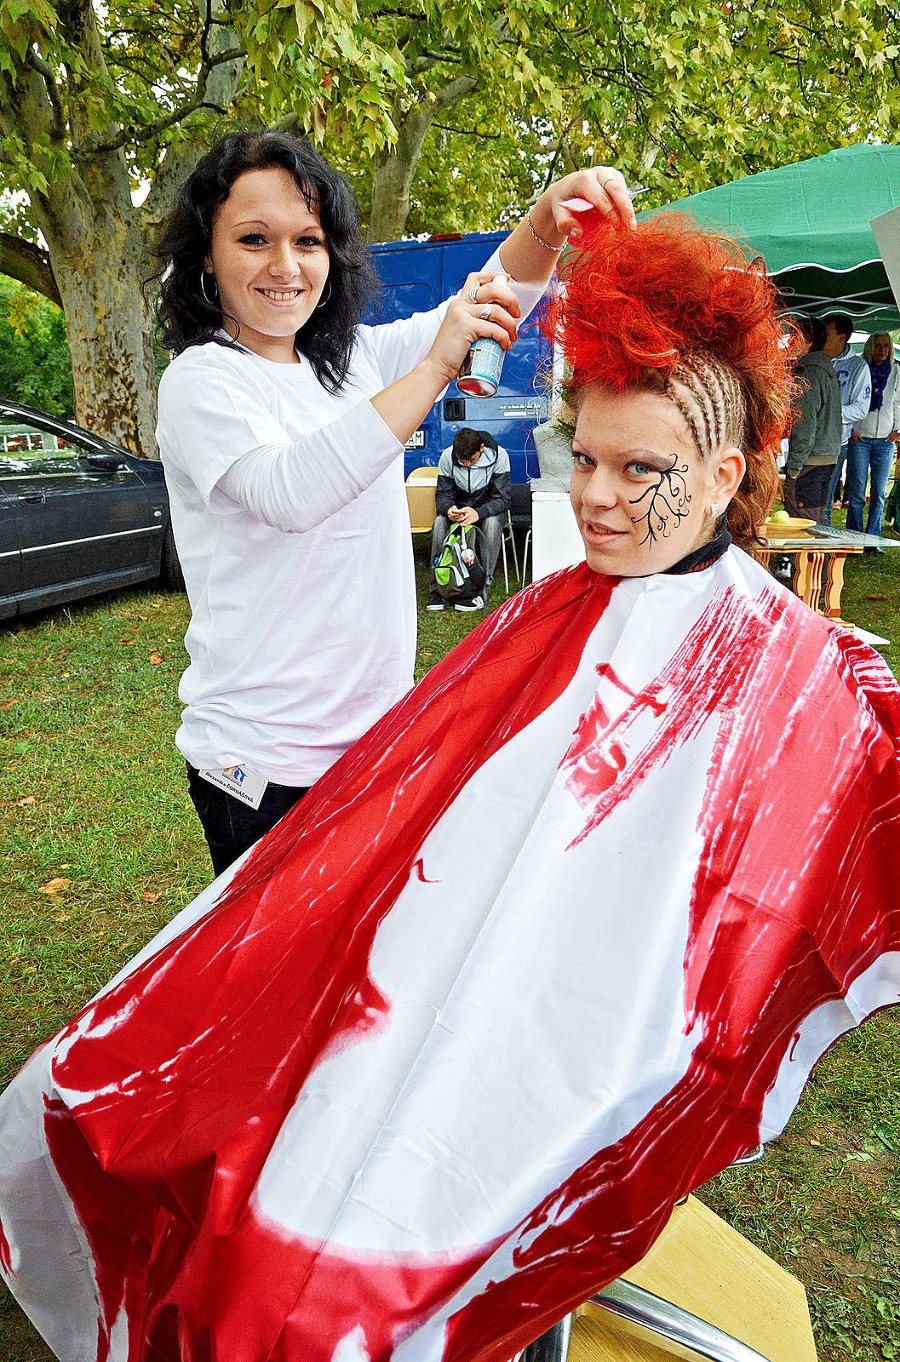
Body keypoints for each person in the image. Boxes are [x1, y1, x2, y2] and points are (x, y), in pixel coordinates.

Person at [2, 214, 900, 1362]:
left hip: (593, 1050)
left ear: (726, 476)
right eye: (583, 458)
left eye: (640, 470)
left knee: (301, 1300)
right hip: (438, 980)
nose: (601, 499)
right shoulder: (551, 608)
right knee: (134, 1103)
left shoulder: (798, 662)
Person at [152, 129, 636, 875]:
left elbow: (487, 296)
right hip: (262, 760)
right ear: (207, 256)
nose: (285, 266)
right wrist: (439, 365)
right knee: (282, 984)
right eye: (254, 239)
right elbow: (292, 492)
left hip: (373, 738)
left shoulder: (353, 362)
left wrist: (544, 221)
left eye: (308, 241)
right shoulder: (202, 378)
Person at [427, 427, 511, 612]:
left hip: (485, 512)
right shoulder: (447, 457)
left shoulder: (500, 456)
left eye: (471, 460)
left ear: (481, 448)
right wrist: (448, 509)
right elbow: (442, 494)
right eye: (461, 461)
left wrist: (478, 513)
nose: (466, 464)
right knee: (440, 523)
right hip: (458, 512)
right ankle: (438, 588)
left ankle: (481, 590)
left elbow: (503, 499)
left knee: (493, 522)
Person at [783, 315, 842, 523]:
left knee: (804, 523)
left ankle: (811, 557)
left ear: (807, 341)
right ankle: (820, 556)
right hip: (827, 457)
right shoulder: (825, 369)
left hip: (811, 460)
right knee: (816, 519)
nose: (789, 342)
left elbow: (805, 425)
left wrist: (793, 469)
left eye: (793, 337)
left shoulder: (810, 373)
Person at [846, 331, 900, 547]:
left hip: (885, 440)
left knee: (878, 493)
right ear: (870, 347)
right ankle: (854, 538)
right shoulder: (859, 367)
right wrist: (851, 428)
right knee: (857, 491)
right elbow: (848, 398)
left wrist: (897, 430)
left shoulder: (895, 370)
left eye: (886, 346)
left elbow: (897, 402)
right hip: (860, 438)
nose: (882, 350)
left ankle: (873, 539)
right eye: (878, 346)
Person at [822, 312, 871, 521]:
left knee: (823, 502)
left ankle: (821, 553)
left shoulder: (857, 366)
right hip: (810, 441)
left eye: (826, 333)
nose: (821, 337)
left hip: (835, 443)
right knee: (803, 499)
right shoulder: (816, 359)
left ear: (841, 338)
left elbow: (861, 408)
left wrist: (830, 414)